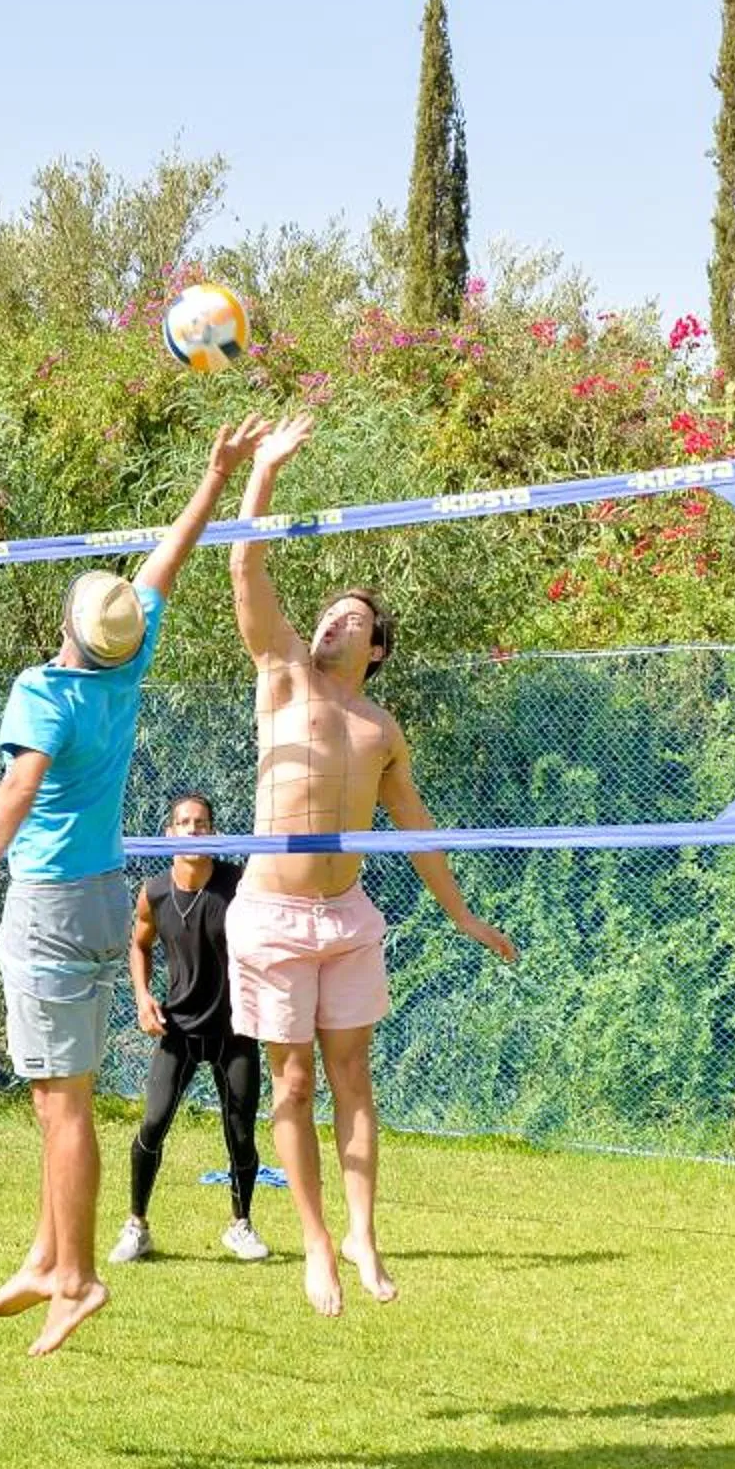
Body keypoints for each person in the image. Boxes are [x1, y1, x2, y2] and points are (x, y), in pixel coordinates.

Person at [0, 413, 270, 1357]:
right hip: (100, 897)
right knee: (62, 1098)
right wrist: (214, 476)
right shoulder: (125, 669)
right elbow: (168, 562)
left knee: (63, 1105)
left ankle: (78, 1274)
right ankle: (46, 1256)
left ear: (67, 627)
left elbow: (20, 781)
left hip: (50, 902)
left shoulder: (45, 690)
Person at [225, 412, 516, 1318]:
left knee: (354, 1077)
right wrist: (264, 471)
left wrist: (462, 914)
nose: (330, 623)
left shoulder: (381, 729)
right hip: (271, 915)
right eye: (326, 615)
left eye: (349, 619)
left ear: (375, 649)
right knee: (295, 1080)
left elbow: (415, 825)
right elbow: (244, 562)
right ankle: (313, 1240)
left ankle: (360, 1232)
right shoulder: (281, 675)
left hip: (346, 918)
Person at [112, 790, 266, 1266]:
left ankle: (241, 1225)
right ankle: (137, 1226)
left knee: (240, 1133)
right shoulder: (155, 891)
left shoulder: (239, 884)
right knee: (153, 1124)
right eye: (185, 823)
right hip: (178, 1029)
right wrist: (142, 996)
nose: (194, 831)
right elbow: (138, 944)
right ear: (169, 834)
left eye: (202, 824)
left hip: (234, 1030)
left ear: (214, 833)